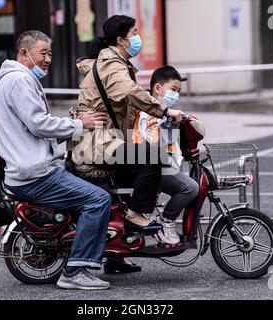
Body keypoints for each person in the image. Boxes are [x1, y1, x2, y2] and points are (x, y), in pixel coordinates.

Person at [0, 30, 112, 290]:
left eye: (50, 53)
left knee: (95, 185)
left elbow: (31, 127)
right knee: (98, 199)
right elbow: (38, 124)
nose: (48, 59)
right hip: (34, 175)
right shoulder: (18, 81)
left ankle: (107, 257)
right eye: (42, 53)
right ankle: (76, 270)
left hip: (30, 168)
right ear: (25, 53)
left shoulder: (17, 79)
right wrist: (80, 124)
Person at [71, 15, 183, 274]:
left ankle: (116, 255)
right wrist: (164, 111)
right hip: (95, 144)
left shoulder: (116, 62)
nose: (137, 37)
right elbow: (130, 92)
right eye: (134, 32)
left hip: (105, 140)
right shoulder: (112, 63)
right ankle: (136, 216)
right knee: (152, 158)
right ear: (121, 39)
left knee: (134, 179)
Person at [133, 66, 200, 244]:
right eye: (173, 90)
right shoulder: (150, 113)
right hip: (151, 167)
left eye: (178, 91)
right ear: (157, 89)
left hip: (160, 165)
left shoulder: (164, 112)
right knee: (191, 188)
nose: (176, 95)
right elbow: (155, 145)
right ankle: (167, 221)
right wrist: (170, 125)